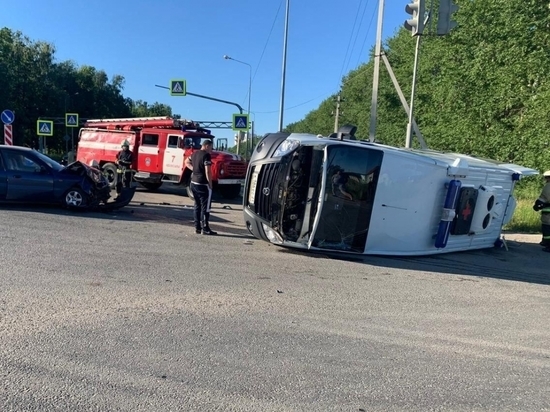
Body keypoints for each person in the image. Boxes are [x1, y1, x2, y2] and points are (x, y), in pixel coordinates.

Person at [185, 139, 217, 235]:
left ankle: (197, 228)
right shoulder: (206, 155)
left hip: (193, 183)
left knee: (197, 205)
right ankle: (205, 228)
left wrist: (194, 170)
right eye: (211, 147)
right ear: (206, 146)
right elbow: (208, 171)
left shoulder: (194, 154)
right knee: (205, 207)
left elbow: (186, 161)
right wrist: (210, 184)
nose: (211, 150)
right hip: (203, 184)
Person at [533, 170, 550, 252]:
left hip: (548, 214)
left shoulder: (548, 186)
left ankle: (548, 244)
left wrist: (537, 205)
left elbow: (543, 198)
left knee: (547, 229)